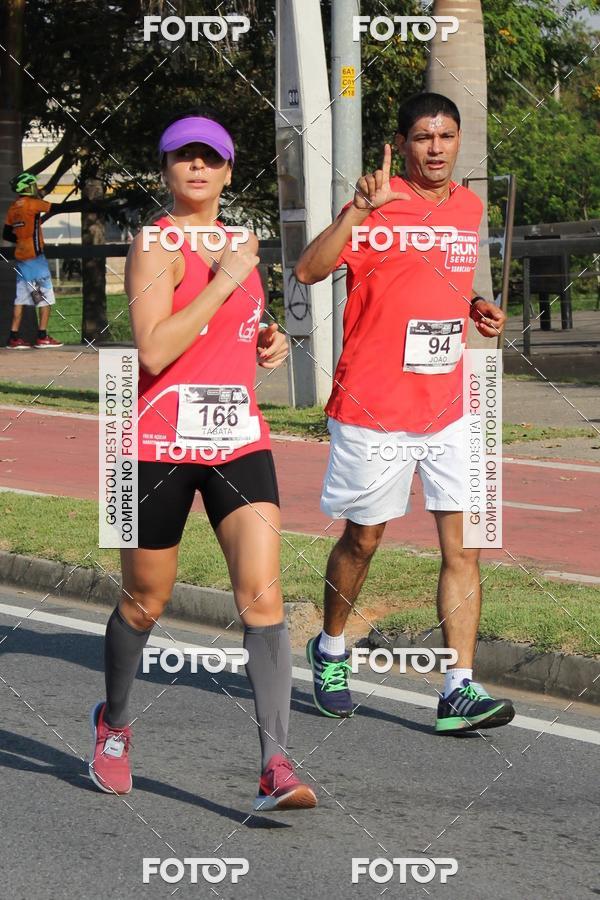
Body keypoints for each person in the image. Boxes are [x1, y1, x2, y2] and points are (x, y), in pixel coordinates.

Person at [89, 111, 317, 812]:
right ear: (165, 169)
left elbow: (231, 324)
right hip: (154, 445)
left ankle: (275, 763)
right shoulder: (154, 243)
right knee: (144, 600)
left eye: (210, 158)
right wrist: (223, 281)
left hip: (237, 440)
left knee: (263, 595)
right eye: (183, 156)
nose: (197, 167)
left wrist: (265, 336)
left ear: (227, 170)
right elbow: (155, 349)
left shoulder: (241, 242)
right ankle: (114, 723)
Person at [295, 92, 515, 734]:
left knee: (465, 548)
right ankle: (331, 647)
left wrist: (474, 305)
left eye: (446, 136)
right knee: (364, 539)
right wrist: (358, 212)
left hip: (449, 406)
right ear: (401, 143)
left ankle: (458, 690)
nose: (436, 148)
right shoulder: (376, 203)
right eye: (423, 137)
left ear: (459, 140)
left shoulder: (469, 207)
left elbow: (431, 279)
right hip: (373, 404)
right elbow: (308, 270)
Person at [3, 171, 64, 349]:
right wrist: (89, 205)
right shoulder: (33, 204)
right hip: (36, 259)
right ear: (28, 187)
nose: (36, 188)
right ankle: (42, 337)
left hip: (21, 258)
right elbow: (58, 208)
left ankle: (13, 338)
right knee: (45, 298)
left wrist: (22, 240)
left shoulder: (13, 207)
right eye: (34, 185)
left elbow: (6, 234)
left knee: (21, 299)